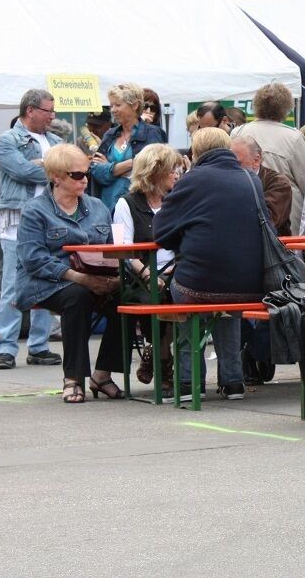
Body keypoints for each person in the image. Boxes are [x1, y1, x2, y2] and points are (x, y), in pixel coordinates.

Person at [153, 127, 266, 400]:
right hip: (251, 285)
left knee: (188, 296)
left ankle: (189, 383)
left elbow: (160, 231)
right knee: (228, 306)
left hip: (198, 285)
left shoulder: (192, 180)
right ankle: (233, 381)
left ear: (196, 152)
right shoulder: (251, 179)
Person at [15, 144, 124, 403]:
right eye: (77, 175)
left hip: (93, 278)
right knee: (78, 296)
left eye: (86, 173)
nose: (85, 179)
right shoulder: (35, 211)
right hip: (48, 283)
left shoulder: (97, 206)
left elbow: (112, 249)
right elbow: (33, 260)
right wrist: (80, 278)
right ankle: (73, 378)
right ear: (56, 177)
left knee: (127, 299)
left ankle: (102, 374)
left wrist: (115, 276)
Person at [0, 89, 64, 370]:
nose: (52, 116)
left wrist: (43, 165)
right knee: (12, 284)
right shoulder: (7, 140)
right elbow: (21, 171)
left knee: (47, 282)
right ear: (30, 110)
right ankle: (6, 348)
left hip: (51, 219)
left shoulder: (56, 140)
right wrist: (52, 168)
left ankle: (38, 346)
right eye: (48, 111)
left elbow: (67, 172)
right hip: (16, 221)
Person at [113, 143, 184, 392]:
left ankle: (154, 351)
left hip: (175, 271)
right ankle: (165, 365)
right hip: (138, 276)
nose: (176, 175)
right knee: (160, 295)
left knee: (176, 293)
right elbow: (124, 249)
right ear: (154, 173)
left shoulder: (175, 201)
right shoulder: (126, 204)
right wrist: (148, 274)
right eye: (170, 170)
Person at [232, 82, 305, 234]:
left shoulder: (238, 133)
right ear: (286, 107)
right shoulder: (294, 137)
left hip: (244, 206)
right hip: (287, 213)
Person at [90, 82, 166, 216]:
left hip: (138, 208)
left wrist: (109, 167)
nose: (113, 110)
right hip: (107, 207)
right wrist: (131, 164)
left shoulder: (153, 133)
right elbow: (96, 170)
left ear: (135, 105)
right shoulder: (110, 134)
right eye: (111, 105)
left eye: (118, 105)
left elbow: (152, 169)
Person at [231, 135, 293, 236]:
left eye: (237, 163)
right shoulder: (227, 181)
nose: (232, 167)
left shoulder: (278, 183)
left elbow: (267, 221)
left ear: (256, 160)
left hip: (269, 248)